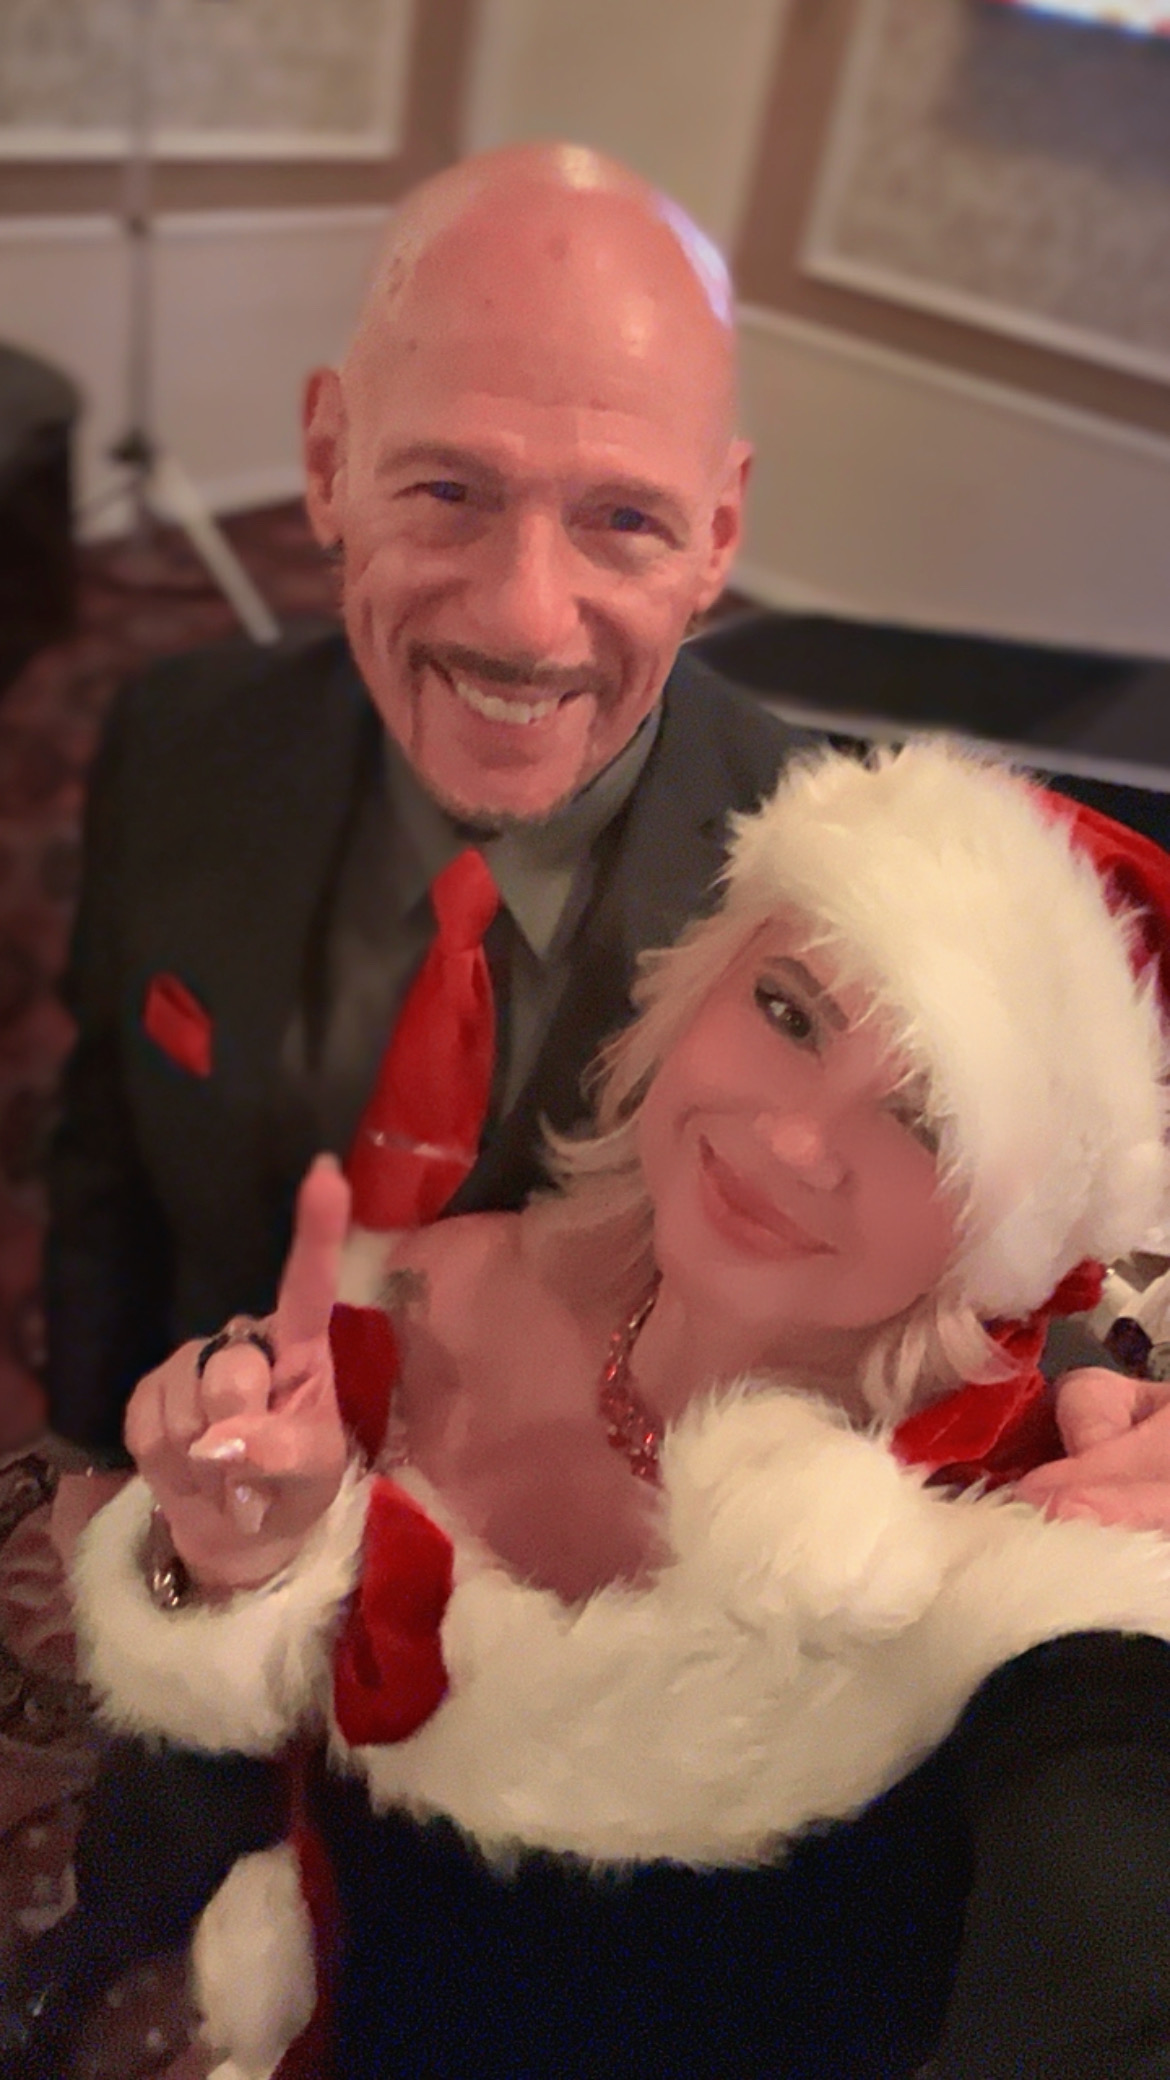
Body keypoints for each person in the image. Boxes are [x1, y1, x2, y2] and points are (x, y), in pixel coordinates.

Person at [42, 136, 1170, 1511]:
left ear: (718, 535)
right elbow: (108, 1149)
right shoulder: (177, 740)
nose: (526, 620)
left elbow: (980, 1230)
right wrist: (93, 1454)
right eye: (448, 491)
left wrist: (1100, 1402)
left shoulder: (838, 889)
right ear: (329, 463)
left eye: (623, 518)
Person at [73, 740, 1170, 2079]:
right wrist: (220, 1572)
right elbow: (193, 1820)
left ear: (1015, 1230)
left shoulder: (1023, 1536)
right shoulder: (414, 1298)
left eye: (927, 1120)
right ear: (698, 987)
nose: (794, 1138)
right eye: (789, 1013)